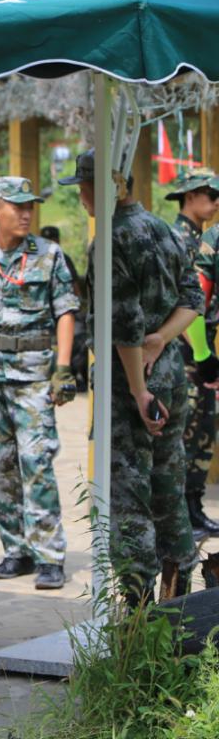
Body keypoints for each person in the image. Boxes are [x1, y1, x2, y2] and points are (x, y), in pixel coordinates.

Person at [63, 149, 203, 603]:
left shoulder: (109, 240)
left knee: (129, 498)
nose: (81, 195)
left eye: (85, 186)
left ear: (106, 187)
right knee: (169, 486)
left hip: (131, 384)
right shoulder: (164, 229)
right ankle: (183, 596)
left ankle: (139, 613)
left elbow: (122, 325)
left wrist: (140, 392)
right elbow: (191, 300)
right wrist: (162, 338)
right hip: (171, 374)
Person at [0, 177, 80, 591]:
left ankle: (49, 555)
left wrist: (62, 368)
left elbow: (65, 313)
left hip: (33, 376)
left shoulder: (49, 255)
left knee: (36, 464)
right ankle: (16, 549)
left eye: (30, 206)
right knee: (0, 467)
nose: (26, 213)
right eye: (17, 206)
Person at [167, 171, 219, 536]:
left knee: (203, 430)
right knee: (185, 434)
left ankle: (192, 508)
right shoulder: (178, 239)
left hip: (202, 349)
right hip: (185, 353)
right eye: (210, 194)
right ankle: (179, 514)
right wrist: (201, 354)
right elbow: (186, 304)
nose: (216, 202)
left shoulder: (202, 239)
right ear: (189, 196)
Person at [40, 225, 89, 391]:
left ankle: (71, 374)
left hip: (61, 314)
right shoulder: (54, 258)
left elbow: (75, 290)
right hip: (48, 317)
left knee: (79, 339)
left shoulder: (61, 259)